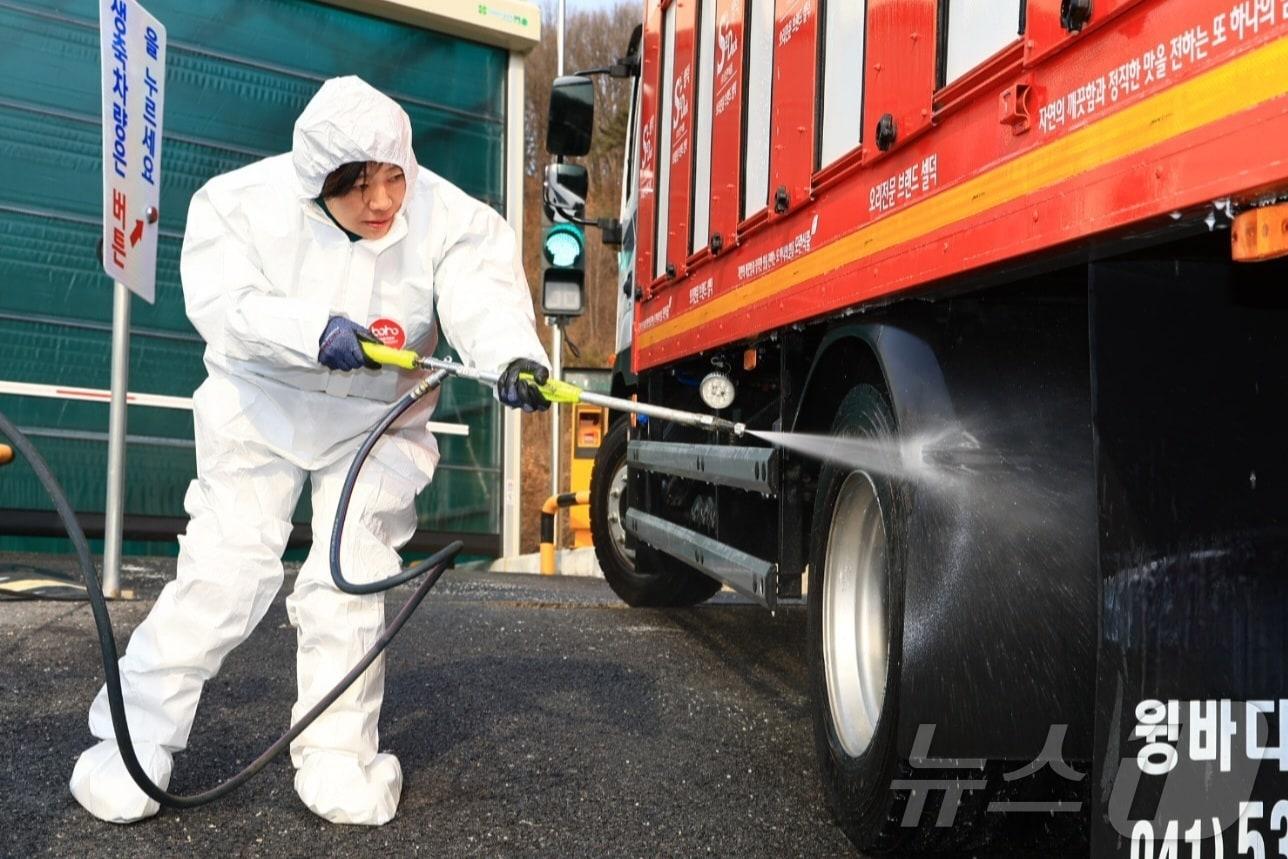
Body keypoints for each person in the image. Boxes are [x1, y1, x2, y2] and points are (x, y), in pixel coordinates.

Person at [69, 76, 551, 826]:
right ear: (316, 182)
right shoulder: (239, 205)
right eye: (360, 187)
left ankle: (337, 756)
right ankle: (130, 741)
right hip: (263, 406)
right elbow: (227, 305)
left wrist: (512, 358)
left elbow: (478, 292)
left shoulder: (447, 217)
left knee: (348, 578)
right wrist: (310, 333)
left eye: (394, 177)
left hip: (378, 423)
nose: (384, 202)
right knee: (224, 575)